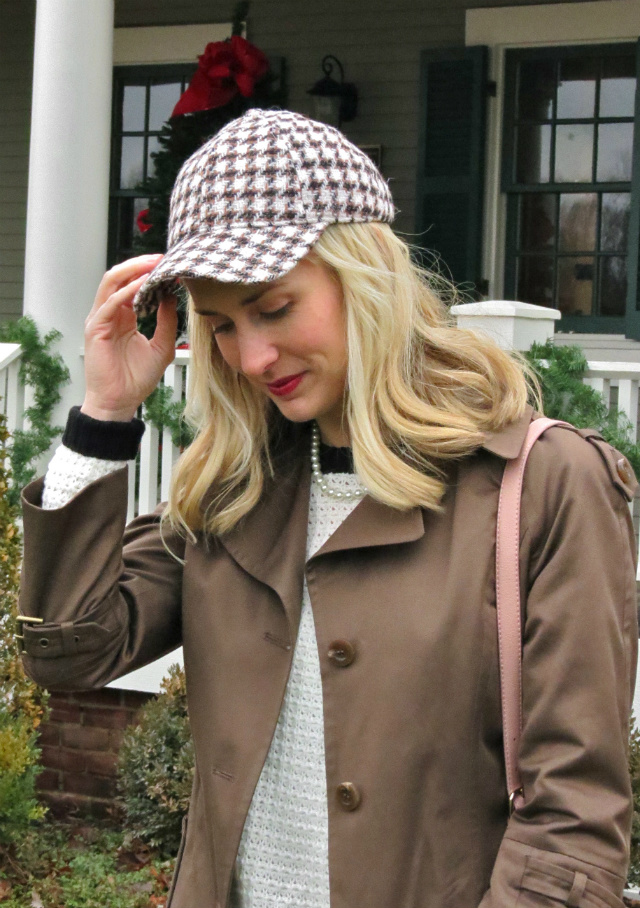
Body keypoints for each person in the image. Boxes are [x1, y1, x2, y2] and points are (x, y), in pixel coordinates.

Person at [18, 109, 638, 908]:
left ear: (365, 276)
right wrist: (104, 414)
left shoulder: (543, 483)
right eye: (220, 327)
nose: (251, 358)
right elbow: (67, 652)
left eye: (274, 309)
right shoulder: (234, 492)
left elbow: (574, 821)